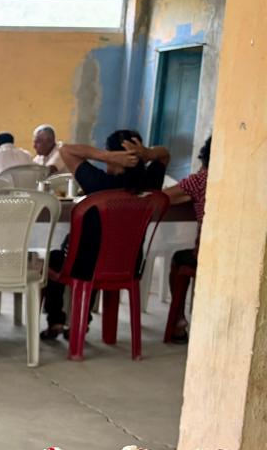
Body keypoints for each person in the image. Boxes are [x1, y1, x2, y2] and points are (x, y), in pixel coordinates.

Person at [40, 130, 170, 340]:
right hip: (128, 265)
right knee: (93, 252)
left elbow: (66, 150)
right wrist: (147, 153)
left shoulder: (98, 183)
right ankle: (81, 322)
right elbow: (164, 154)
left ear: (113, 155)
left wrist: (105, 156)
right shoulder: (149, 184)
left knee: (58, 257)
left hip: (86, 267)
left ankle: (55, 320)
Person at [162, 137, 211, 343]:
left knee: (178, 259)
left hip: (206, 256)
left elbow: (163, 197)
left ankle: (178, 322)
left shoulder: (201, 180)